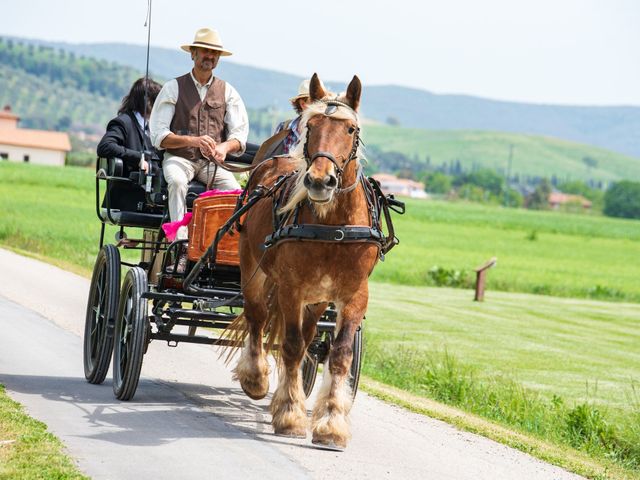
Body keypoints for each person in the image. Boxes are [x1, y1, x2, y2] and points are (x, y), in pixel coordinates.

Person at [149, 27, 248, 242]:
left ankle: (223, 242)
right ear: (193, 54)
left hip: (211, 164)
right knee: (176, 183)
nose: (210, 56)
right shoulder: (173, 88)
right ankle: (179, 241)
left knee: (235, 192)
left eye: (215, 53)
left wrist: (224, 147)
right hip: (179, 159)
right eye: (205, 51)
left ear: (219, 58)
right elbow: (158, 136)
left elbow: (239, 136)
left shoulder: (228, 91)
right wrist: (194, 141)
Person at [97, 77, 162, 210]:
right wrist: (138, 158)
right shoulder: (123, 122)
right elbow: (105, 146)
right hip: (128, 194)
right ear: (148, 101)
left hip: (154, 194)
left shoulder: (153, 127)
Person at [273, 79, 310, 154]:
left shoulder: (325, 133)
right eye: (316, 102)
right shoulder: (283, 128)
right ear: (303, 104)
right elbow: (271, 159)